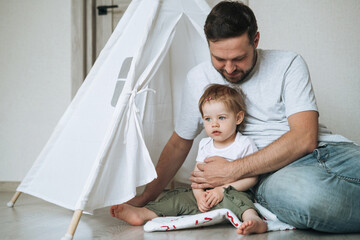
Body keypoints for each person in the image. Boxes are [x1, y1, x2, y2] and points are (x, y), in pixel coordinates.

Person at [112, 1, 360, 233]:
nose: (229, 69)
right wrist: (146, 196)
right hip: (274, 174)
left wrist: (231, 170)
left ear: (255, 40)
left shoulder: (289, 63)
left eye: (239, 58)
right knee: (305, 197)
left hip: (332, 151)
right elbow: (179, 142)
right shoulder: (198, 78)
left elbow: (305, 138)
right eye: (219, 59)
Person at [112, 84, 267, 235]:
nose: (214, 124)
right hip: (205, 196)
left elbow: (251, 178)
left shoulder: (244, 144)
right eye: (208, 119)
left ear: (238, 118)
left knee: (240, 201)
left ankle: (253, 220)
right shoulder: (205, 144)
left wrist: (221, 190)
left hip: (232, 193)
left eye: (221, 117)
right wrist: (200, 196)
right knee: (177, 197)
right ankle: (144, 214)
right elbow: (197, 177)